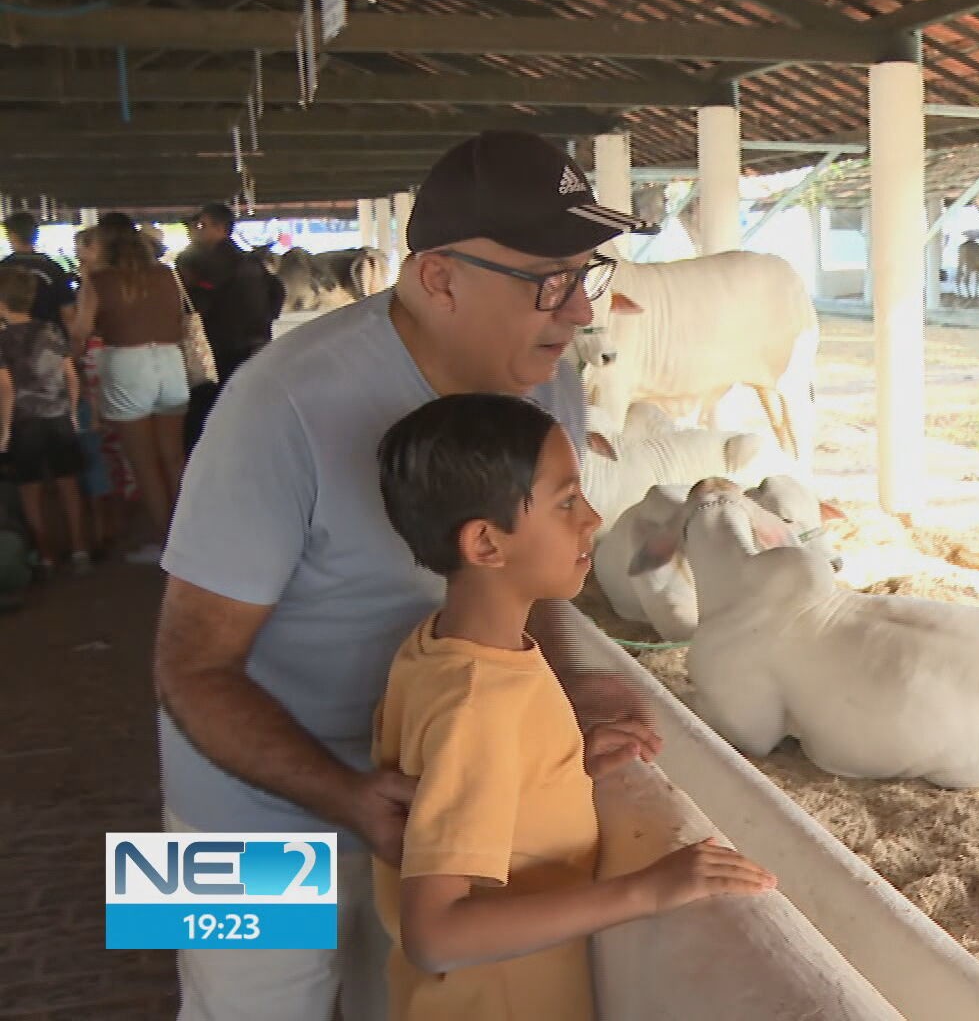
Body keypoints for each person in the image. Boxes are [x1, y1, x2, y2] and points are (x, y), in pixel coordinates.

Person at [151, 129, 659, 1021]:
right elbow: (185, 670)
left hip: (439, 806)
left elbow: (517, 587)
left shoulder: (549, 391)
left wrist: (566, 690)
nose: (580, 312)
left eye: (587, 275)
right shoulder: (275, 404)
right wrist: (346, 795)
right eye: (550, 282)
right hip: (235, 812)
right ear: (438, 279)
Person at [371, 393, 774, 1019]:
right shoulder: (479, 702)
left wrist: (552, 773)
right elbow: (436, 931)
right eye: (566, 502)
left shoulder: (440, 651)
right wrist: (647, 889)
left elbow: (462, 796)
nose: (592, 517)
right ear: (485, 543)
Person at [73, 213, 192, 562]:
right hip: (171, 361)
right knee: (172, 457)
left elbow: (81, 331)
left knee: (143, 463)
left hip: (126, 363)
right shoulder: (167, 274)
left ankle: (166, 545)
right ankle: (192, 537)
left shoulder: (99, 281)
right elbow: (181, 321)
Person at [0, 267, 89, 577]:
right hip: (59, 415)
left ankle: (46, 554)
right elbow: (70, 375)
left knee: (32, 490)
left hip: (24, 422)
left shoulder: (3, 339)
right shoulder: (50, 329)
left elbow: (7, 387)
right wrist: (73, 411)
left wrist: (5, 429)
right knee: (68, 485)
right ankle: (79, 549)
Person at [175, 203, 284, 455]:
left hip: (219, 347)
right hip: (256, 342)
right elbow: (277, 292)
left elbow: (195, 304)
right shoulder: (252, 262)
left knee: (210, 409)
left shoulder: (198, 263)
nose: (196, 232)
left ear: (220, 228)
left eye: (201, 226)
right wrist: (265, 321)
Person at [2, 211, 78, 343]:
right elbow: (68, 313)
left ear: (11, 236)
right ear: (36, 236)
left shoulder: (4, 269)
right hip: (50, 341)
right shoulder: (53, 268)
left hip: (9, 341)